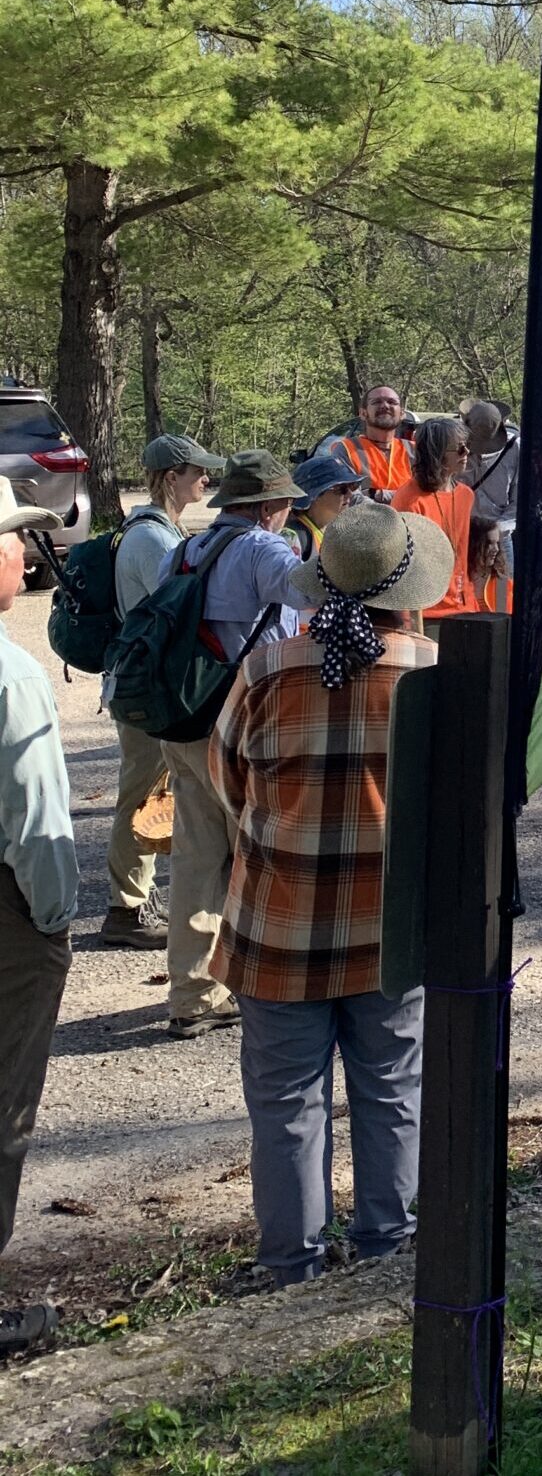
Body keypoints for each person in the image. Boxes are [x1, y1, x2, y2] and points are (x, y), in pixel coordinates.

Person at [209, 499, 451, 1286]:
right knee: (392, 1089)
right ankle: (389, 1249)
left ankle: (290, 1266)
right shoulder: (432, 676)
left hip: (278, 928)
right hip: (394, 931)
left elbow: (229, 785)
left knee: (285, 1104)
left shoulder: (267, 672)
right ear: (406, 591)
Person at [168, 449, 309, 1039]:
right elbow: (316, 597)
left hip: (182, 717)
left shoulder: (186, 548)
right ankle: (261, 982)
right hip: (243, 723)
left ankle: (193, 993)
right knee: (258, 855)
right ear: (272, 505)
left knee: (197, 857)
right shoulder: (265, 548)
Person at [0, 477, 73, 1354]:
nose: (23, 551)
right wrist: (53, 919)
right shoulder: (12, 675)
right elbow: (36, 821)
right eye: (15, 537)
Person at [100, 434, 222, 949]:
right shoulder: (153, 540)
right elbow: (176, 612)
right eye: (197, 472)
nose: (205, 480)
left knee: (152, 788)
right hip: (150, 692)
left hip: (148, 687)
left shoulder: (156, 530)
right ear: (171, 477)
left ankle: (133, 898)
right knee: (141, 792)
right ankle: (125, 909)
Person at [392, 419, 479, 619]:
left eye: (467, 446)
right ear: (436, 453)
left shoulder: (466, 495)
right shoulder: (409, 499)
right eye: (459, 449)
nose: (466, 453)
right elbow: (403, 567)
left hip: (465, 606)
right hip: (427, 613)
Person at [462, 400, 519, 612]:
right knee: (466, 601)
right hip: (462, 538)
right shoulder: (454, 448)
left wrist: (496, 529)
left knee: (502, 603)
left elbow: (519, 503)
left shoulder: (515, 449)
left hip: (499, 541)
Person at [328, 385, 413, 502]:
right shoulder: (346, 449)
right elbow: (350, 498)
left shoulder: (415, 450)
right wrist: (403, 497)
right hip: (367, 519)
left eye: (392, 402)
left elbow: (428, 494)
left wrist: (375, 493)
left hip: (415, 519)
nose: (385, 406)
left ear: (402, 413)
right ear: (363, 413)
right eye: (376, 402)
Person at [285, 452, 362, 563]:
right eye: (341, 489)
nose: (350, 494)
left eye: (352, 486)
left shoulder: (335, 528)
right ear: (314, 495)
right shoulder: (294, 537)